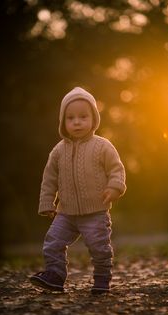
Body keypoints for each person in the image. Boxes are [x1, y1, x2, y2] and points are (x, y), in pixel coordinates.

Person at [30, 87, 126, 294]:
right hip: (65, 212)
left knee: (99, 248)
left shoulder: (102, 146)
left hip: (95, 212)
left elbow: (116, 169)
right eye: (70, 118)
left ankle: (101, 280)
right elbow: (49, 179)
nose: (77, 122)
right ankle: (55, 276)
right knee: (52, 242)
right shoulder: (58, 151)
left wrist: (114, 187)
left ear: (94, 119)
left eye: (83, 116)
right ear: (63, 122)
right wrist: (47, 203)